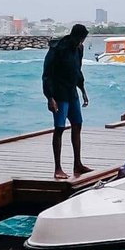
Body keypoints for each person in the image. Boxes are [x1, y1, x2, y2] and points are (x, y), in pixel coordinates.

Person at [42, 23, 90, 179]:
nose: (81, 42)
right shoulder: (57, 49)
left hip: (72, 93)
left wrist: (83, 90)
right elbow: (47, 75)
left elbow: (77, 70)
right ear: (75, 36)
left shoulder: (79, 49)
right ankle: (58, 168)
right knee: (59, 129)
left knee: (77, 125)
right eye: (80, 39)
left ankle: (78, 164)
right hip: (59, 94)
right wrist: (50, 98)